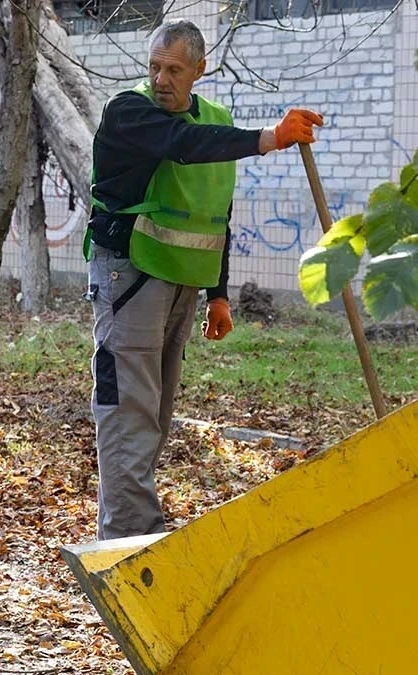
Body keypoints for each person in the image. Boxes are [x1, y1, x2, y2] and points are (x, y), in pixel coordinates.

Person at [85, 19, 323, 540]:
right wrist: (269, 138)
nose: (160, 79)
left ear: (199, 69)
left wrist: (219, 295)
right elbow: (181, 143)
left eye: (174, 70)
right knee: (129, 415)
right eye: (154, 67)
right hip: (128, 276)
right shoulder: (129, 111)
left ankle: (136, 540)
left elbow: (216, 211)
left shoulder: (214, 120)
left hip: (181, 283)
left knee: (155, 415)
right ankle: (129, 549)